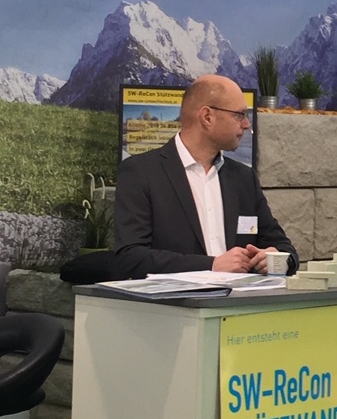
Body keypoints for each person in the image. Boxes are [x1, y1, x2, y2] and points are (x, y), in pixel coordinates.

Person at [112, 75, 297, 278]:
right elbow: (131, 257)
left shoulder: (243, 178)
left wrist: (276, 259)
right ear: (207, 117)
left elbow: (283, 247)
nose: (246, 124)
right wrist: (211, 265)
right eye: (239, 115)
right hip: (176, 297)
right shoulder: (141, 172)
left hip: (241, 296)